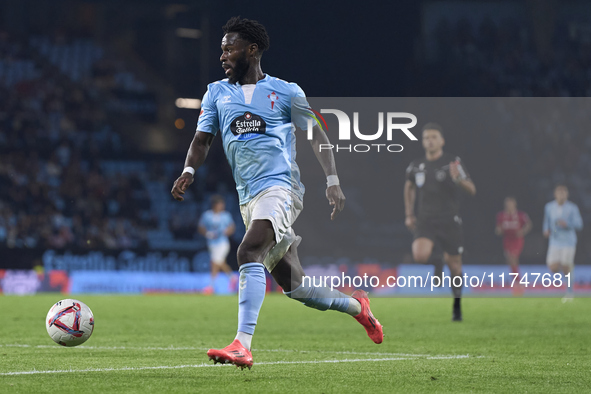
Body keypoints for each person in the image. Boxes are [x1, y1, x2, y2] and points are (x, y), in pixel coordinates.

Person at [171, 17, 383, 369]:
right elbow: (202, 139)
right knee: (297, 288)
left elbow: (317, 134)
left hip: (281, 188)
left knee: (248, 251)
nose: (223, 55)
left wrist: (332, 180)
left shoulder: (287, 91)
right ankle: (357, 307)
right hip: (248, 198)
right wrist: (188, 171)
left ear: (251, 50)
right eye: (221, 48)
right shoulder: (215, 93)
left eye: (230, 48)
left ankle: (242, 344)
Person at [404, 123, 476, 322]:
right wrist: (409, 213)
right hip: (426, 219)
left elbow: (472, 189)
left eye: (434, 137)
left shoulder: (452, 162)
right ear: (422, 141)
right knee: (419, 256)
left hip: (449, 221)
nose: (430, 140)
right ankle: (437, 261)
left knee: (455, 267)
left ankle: (457, 304)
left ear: (442, 140)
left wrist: (459, 180)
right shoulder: (416, 165)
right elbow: (408, 186)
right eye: (426, 137)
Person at [543, 184, 583, 302]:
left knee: (566, 266)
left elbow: (579, 224)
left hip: (568, 242)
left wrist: (567, 224)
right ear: (555, 194)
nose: (561, 195)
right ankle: (568, 270)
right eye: (559, 193)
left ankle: (569, 292)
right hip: (554, 241)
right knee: (552, 267)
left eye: (563, 193)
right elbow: (547, 221)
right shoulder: (549, 207)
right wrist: (545, 230)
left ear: (567, 194)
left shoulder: (572, 208)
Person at [198, 195, 236, 294]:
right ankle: (232, 277)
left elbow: (232, 227)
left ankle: (211, 286)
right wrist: (207, 233)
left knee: (214, 262)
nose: (222, 206)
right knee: (219, 262)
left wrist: (226, 231)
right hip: (212, 243)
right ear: (215, 205)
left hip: (223, 243)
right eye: (220, 204)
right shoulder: (207, 215)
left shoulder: (226, 215)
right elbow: (200, 227)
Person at [495, 197, 532, 295]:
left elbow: (528, 224)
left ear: (515, 204)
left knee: (513, 257)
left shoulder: (521, 215)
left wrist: (522, 231)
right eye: (507, 204)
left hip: (517, 240)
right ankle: (517, 281)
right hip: (507, 240)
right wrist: (499, 230)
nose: (509, 206)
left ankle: (518, 283)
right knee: (509, 260)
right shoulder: (501, 215)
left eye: (511, 204)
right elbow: (498, 228)